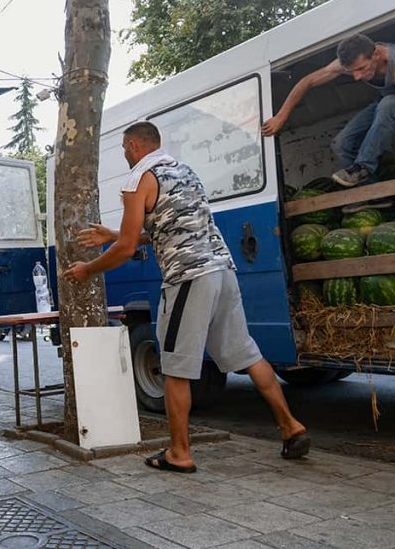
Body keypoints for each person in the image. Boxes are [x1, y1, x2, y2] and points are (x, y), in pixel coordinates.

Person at [65, 122, 309, 472]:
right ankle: (291, 426)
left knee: (176, 367)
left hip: (188, 277)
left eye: (123, 148)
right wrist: (114, 234)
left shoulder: (138, 178)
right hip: (222, 271)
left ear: (134, 145)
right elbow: (170, 227)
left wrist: (88, 269)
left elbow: (128, 247)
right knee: (247, 354)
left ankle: (179, 453)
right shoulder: (185, 171)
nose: (123, 154)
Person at [262, 33, 395, 188]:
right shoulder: (348, 65)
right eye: (352, 71)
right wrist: (280, 117)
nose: (357, 77)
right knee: (342, 144)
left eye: (361, 69)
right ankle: (373, 194)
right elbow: (308, 81)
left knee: (389, 104)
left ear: (375, 54)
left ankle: (364, 167)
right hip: (385, 101)